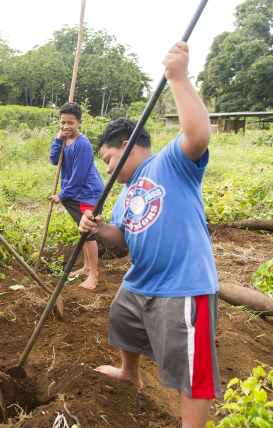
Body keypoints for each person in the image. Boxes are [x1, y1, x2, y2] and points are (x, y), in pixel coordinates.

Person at [79, 41, 221, 428]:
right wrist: (101, 227)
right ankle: (130, 372)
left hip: (183, 284)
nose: (107, 169)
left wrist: (178, 78)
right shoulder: (125, 195)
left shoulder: (171, 162)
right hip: (141, 281)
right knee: (122, 318)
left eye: (108, 159)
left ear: (126, 147)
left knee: (188, 368)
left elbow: (198, 135)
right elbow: (125, 239)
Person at [49, 102, 105, 290]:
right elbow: (53, 160)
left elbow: (79, 175)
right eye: (62, 122)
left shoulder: (82, 143)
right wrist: (58, 139)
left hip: (86, 194)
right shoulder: (64, 140)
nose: (66, 126)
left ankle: (94, 275)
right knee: (82, 231)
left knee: (87, 233)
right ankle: (87, 268)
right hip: (76, 193)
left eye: (70, 123)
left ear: (79, 122)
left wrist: (63, 196)